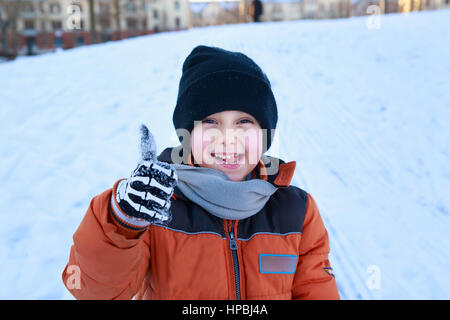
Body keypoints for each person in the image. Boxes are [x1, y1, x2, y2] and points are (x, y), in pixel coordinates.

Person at [62, 45, 340, 300]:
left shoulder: (296, 211)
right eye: (210, 121)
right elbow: (94, 292)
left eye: (244, 121)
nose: (228, 137)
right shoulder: (156, 208)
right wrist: (122, 224)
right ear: (188, 136)